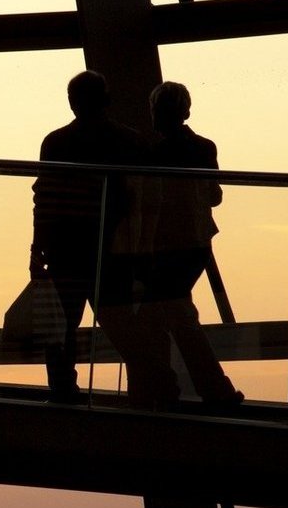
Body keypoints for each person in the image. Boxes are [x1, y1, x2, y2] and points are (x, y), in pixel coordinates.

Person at [29, 71, 173, 404]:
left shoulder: (55, 142)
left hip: (65, 246)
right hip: (115, 247)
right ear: (107, 100)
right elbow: (144, 200)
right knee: (123, 323)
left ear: (72, 102)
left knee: (61, 324)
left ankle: (63, 390)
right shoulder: (130, 141)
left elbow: (45, 197)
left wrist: (39, 246)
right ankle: (154, 386)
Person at [114, 81, 242, 405]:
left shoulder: (153, 154)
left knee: (170, 318)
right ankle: (203, 389)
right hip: (197, 244)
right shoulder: (205, 148)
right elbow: (215, 196)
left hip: (164, 247)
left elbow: (145, 204)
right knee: (171, 314)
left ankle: (195, 389)